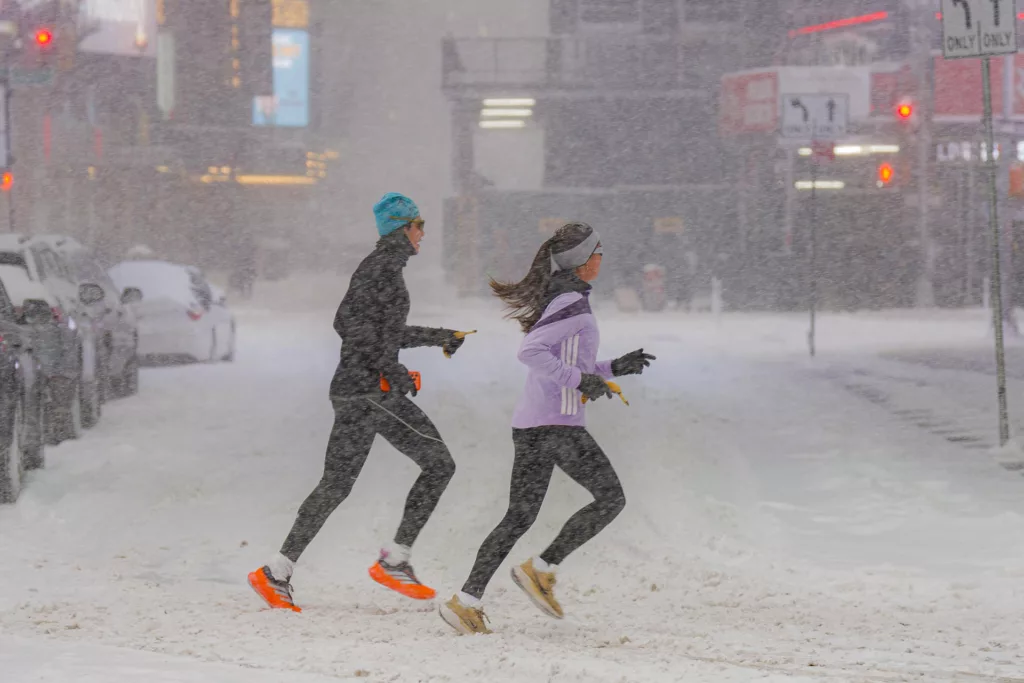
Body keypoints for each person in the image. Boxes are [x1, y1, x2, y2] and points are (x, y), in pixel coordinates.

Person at [248, 192, 471, 611]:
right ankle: (395, 560)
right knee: (440, 465)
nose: (423, 232)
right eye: (419, 224)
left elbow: (355, 326)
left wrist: (437, 337)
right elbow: (368, 335)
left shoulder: (374, 269)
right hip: (371, 392)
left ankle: (276, 570)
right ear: (402, 228)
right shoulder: (384, 271)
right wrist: (390, 370)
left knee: (335, 484)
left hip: (352, 388)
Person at [439, 222, 655, 634]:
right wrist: (581, 381)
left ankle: (465, 602)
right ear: (584, 260)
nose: (602, 258)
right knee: (610, 498)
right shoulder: (571, 300)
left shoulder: (567, 298)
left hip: (536, 424)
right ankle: (540, 569)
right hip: (556, 425)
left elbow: (568, 360)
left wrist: (610, 369)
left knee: (518, 517)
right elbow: (532, 351)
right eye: (599, 252)